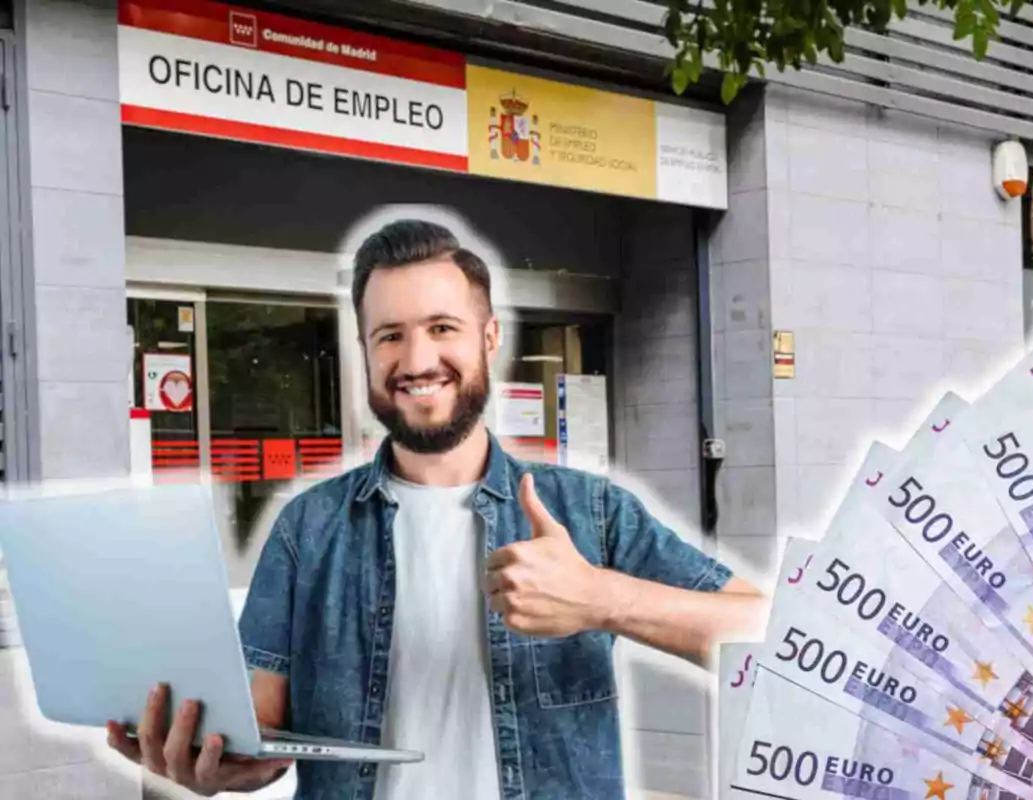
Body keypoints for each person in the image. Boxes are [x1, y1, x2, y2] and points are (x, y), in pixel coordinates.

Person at [107, 219, 767, 799]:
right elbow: (263, 728)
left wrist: (603, 599)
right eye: (389, 335)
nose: (416, 359)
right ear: (365, 351)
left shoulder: (589, 512)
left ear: (489, 338)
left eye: (441, 328)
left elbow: (770, 641)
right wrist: (217, 764)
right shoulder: (307, 529)